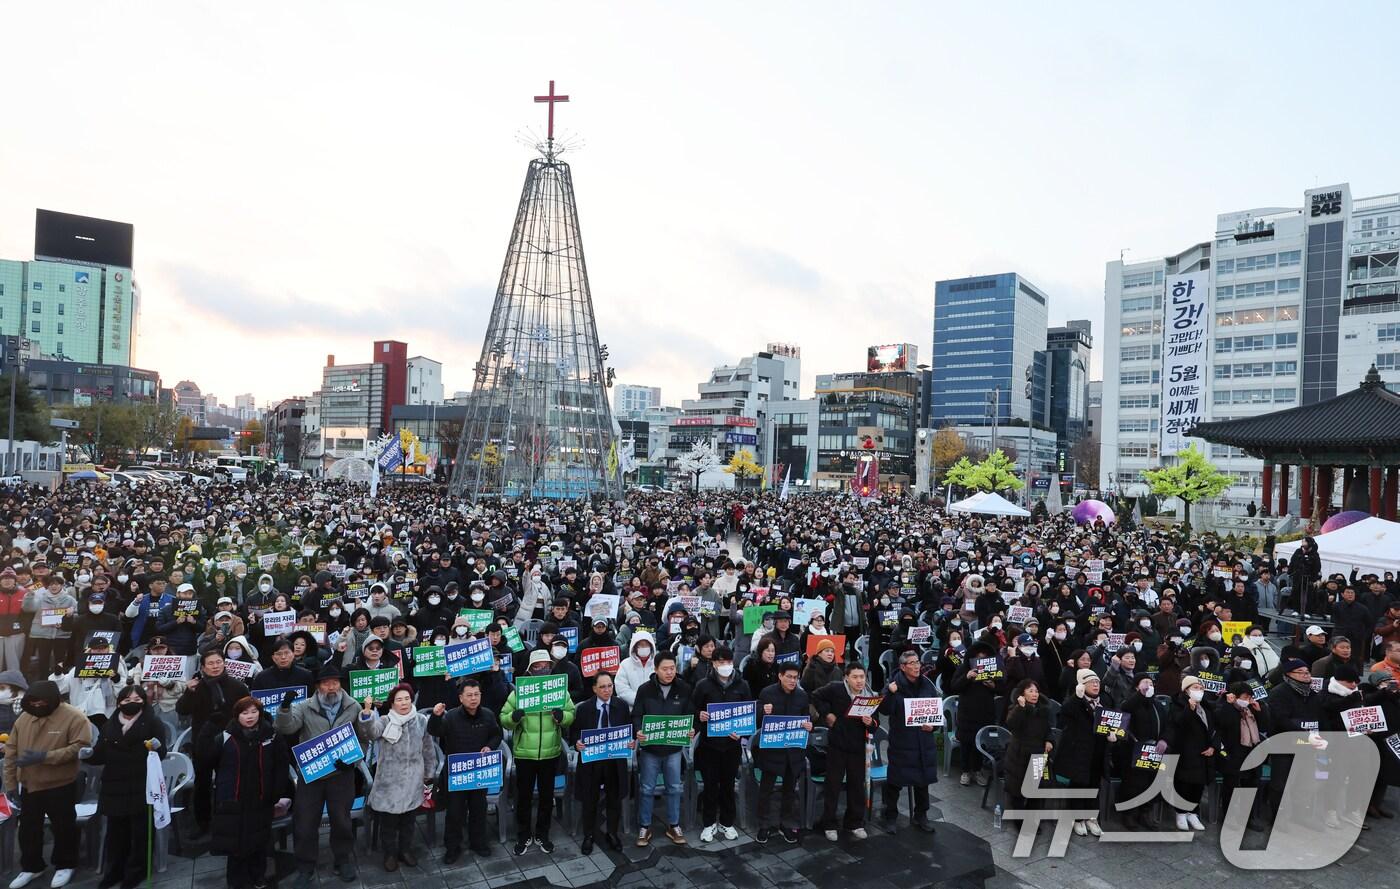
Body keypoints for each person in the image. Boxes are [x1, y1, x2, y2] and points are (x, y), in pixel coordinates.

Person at [275, 664, 373, 888]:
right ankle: (305, 866)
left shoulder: (353, 706)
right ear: (318, 686)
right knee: (306, 822)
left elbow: (364, 738)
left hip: (341, 774)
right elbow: (287, 728)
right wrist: (285, 708)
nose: (332, 687)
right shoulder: (304, 707)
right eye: (327, 683)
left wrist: (353, 760)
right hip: (312, 775)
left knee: (341, 820)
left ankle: (342, 859)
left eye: (335, 682)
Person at [2, 679, 90, 889]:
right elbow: (11, 751)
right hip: (30, 785)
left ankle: (65, 864)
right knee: (28, 830)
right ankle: (31, 867)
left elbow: (80, 747)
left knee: (64, 827)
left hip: (61, 783)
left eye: (41, 702)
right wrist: (11, 785)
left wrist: (45, 757)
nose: (37, 706)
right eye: (33, 702)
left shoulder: (75, 717)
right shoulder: (24, 717)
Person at [85, 685, 165, 889]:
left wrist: (157, 747)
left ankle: (136, 870)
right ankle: (114, 870)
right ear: (119, 702)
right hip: (114, 784)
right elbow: (100, 753)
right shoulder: (109, 724)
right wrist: (87, 755)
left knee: (140, 831)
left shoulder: (152, 722)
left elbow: (161, 752)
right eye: (127, 699)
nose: (132, 703)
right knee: (116, 831)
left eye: (137, 699)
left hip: (141, 783)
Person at [499, 649, 576, 856]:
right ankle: (523, 835)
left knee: (545, 796)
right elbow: (503, 717)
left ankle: (543, 833)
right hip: (524, 753)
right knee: (522, 797)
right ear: (530, 669)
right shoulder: (519, 691)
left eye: (546, 666)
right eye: (538, 666)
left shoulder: (558, 689)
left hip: (550, 752)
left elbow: (571, 713)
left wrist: (563, 717)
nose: (543, 669)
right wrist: (514, 717)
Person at [210, 697, 290, 889]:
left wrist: (276, 791)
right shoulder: (225, 737)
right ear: (237, 715)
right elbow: (209, 761)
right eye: (245, 713)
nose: (250, 717)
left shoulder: (271, 735)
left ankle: (258, 876)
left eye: (254, 712)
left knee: (260, 840)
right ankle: (236, 881)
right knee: (235, 843)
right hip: (234, 799)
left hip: (262, 797)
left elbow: (281, 764)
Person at [358, 683, 435, 871]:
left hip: (413, 779)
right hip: (389, 781)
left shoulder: (421, 720)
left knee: (409, 821)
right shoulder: (385, 721)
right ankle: (390, 853)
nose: (404, 703)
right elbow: (370, 733)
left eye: (407, 698)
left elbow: (428, 748)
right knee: (388, 823)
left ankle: (405, 850)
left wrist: (429, 773)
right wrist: (367, 713)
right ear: (392, 703)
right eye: (399, 700)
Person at [427, 678, 503, 865]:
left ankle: (479, 843)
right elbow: (435, 731)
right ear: (461, 698)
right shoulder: (451, 716)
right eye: (469, 695)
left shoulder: (487, 714)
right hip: (457, 773)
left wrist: (489, 746)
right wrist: (436, 716)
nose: (473, 699)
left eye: (476, 694)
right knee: (455, 812)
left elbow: (497, 734)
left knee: (479, 808)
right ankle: (452, 847)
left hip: (480, 771)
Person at [177, 648, 251, 835]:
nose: (215, 666)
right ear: (202, 667)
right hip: (203, 742)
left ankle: (231, 820)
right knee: (202, 784)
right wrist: (189, 692)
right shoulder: (197, 687)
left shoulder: (237, 686)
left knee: (231, 782)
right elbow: (183, 710)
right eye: (210, 663)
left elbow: (247, 711)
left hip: (231, 740)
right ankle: (203, 824)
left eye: (218, 662)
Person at [630, 650, 693, 847]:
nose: (669, 672)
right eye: (664, 669)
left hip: (673, 748)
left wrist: (691, 729)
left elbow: (690, 713)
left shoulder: (684, 688)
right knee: (647, 788)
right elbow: (637, 715)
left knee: (674, 787)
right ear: (655, 669)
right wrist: (639, 730)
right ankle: (645, 825)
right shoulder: (645, 689)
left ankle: (673, 825)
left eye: (672, 668)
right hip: (650, 749)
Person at [691, 645, 749, 843]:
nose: (725, 666)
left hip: (732, 745)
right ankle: (708, 823)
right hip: (709, 745)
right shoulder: (703, 685)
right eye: (721, 662)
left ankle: (727, 822)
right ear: (713, 664)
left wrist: (741, 732)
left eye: (728, 662)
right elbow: (693, 711)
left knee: (727, 784)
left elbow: (747, 715)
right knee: (710, 785)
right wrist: (699, 716)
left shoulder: (742, 685)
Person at [877, 649, 939, 832]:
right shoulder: (893, 685)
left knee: (922, 781)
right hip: (902, 741)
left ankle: (922, 815)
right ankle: (891, 816)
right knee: (895, 782)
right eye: (912, 663)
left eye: (918, 662)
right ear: (903, 667)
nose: (916, 666)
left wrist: (933, 727)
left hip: (924, 741)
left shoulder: (927, 684)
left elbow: (935, 711)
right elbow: (885, 710)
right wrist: (889, 692)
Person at [810, 660, 873, 840]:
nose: (859, 681)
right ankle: (829, 823)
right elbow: (815, 696)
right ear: (846, 678)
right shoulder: (836, 689)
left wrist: (871, 723)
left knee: (856, 786)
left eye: (862, 677)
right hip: (837, 746)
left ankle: (854, 822)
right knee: (833, 785)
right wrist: (828, 714)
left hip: (858, 746)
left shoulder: (869, 695)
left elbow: (875, 723)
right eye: (855, 677)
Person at [570, 671, 631, 854]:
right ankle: (588, 835)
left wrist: (631, 741)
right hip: (591, 760)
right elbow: (573, 733)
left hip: (614, 759)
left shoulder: (621, 705)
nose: (607, 690)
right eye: (603, 687)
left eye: (610, 686)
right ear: (594, 688)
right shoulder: (584, 708)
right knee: (590, 799)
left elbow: (629, 730)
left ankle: (612, 833)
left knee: (614, 798)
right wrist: (577, 743)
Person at [753, 660, 810, 844]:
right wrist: (762, 711)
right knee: (766, 789)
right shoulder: (767, 693)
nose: (793, 681)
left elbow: (806, 719)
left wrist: (810, 726)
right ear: (780, 676)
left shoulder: (802, 696)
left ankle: (786, 823)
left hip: (793, 751)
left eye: (796, 677)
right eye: (789, 677)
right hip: (772, 750)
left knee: (789, 790)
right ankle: (764, 824)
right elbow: (755, 720)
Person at [1053, 668, 1113, 837]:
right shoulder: (1074, 702)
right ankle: (1077, 819)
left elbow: (1114, 721)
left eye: (1097, 682)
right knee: (1078, 785)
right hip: (1078, 751)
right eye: (1091, 682)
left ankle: (1092, 818)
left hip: (1098, 751)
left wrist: (1113, 736)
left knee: (1095, 785)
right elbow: (1063, 718)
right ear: (1081, 684)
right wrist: (1076, 698)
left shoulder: (1105, 701)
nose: (1095, 684)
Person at [1215, 680, 1270, 832]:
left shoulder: (1251, 710)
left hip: (1251, 752)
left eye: (1249, 697)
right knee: (1231, 787)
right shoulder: (1224, 708)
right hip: (1232, 753)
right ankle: (1228, 817)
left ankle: (1248, 817)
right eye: (1244, 697)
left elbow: (1265, 726)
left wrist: (1260, 711)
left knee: (1252, 785)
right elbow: (1223, 723)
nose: (1247, 700)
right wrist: (1228, 704)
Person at [1164, 675, 1215, 831]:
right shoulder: (1177, 705)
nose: (1199, 691)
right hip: (1185, 751)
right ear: (1186, 690)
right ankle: (1180, 812)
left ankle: (1193, 812)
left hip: (1203, 752)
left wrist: (1213, 746)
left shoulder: (1206, 706)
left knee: (1198, 785)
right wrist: (1189, 709)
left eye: (1200, 688)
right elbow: (1179, 724)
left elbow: (1213, 729)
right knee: (1184, 783)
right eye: (1195, 688)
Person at [1003, 679, 1053, 810]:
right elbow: (1011, 724)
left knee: (1035, 790)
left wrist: (1049, 740)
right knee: (1018, 789)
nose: (1035, 694)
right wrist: (1021, 708)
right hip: (1019, 754)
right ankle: (1019, 820)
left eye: (1036, 691)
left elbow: (1048, 729)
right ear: (1022, 693)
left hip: (1038, 753)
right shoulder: (1016, 708)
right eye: (1030, 691)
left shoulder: (1043, 710)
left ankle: (1031, 821)